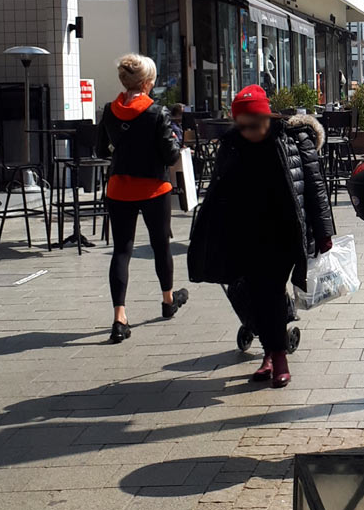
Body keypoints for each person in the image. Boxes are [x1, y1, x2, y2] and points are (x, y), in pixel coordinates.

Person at [188, 85, 333, 388]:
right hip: (245, 231)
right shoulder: (232, 143)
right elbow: (218, 189)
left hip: (284, 231)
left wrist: (323, 234)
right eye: (243, 124)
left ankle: (277, 357)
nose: (249, 130)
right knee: (259, 293)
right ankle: (272, 354)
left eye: (255, 122)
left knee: (269, 291)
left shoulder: (293, 139)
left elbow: (315, 186)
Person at [96, 53, 187, 345]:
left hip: (119, 187)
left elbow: (100, 150)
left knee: (121, 250)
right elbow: (170, 156)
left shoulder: (110, 110)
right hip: (153, 189)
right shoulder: (156, 113)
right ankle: (167, 300)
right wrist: (176, 139)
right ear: (147, 83)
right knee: (161, 246)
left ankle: (119, 317)